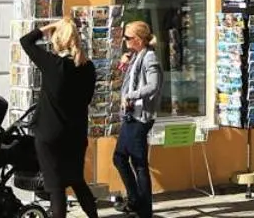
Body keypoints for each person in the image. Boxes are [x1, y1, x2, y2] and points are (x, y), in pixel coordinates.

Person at [18, 19, 100, 218]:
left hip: (50, 134)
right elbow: (87, 99)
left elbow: (25, 41)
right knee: (77, 181)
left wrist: (49, 26)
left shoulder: (53, 64)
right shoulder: (88, 68)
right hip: (76, 134)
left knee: (56, 188)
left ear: (57, 40)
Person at [113, 20, 162, 218]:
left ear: (139, 40)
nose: (125, 41)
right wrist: (125, 64)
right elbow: (131, 79)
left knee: (138, 163)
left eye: (128, 38)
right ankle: (135, 201)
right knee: (120, 157)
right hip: (131, 115)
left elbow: (153, 86)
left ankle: (143, 209)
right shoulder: (137, 56)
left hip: (140, 117)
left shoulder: (149, 58)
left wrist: (131, 96)